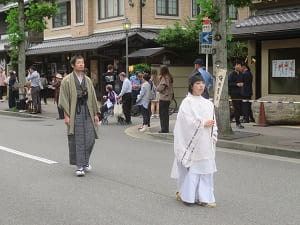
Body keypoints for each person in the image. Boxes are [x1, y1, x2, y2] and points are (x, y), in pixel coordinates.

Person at [171, 72, 218, 207]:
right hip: (193, 142)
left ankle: (205, 197)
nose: (201, 86)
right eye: (197, 83)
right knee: (193, 169)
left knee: (205, 169)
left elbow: (213, 120)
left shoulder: (208, 103)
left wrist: (213, 134)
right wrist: (202, 124)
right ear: (191, 86)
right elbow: (185, 122)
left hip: (205, 142)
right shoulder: (187, 102)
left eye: (202, 83)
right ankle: (188, 195)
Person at [58, 55, 99, 177]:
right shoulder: (66, 80)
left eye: (82, 62)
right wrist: (66, 116)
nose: (81, 64)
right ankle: (80, 166)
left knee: (90, 138)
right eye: (79, 63)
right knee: (79, 139)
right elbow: (63, 99)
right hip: (75, 112)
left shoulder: (87, 80)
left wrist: (96, 114)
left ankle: (85, 161)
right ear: (73, 65)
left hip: (88, 111)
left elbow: (93, 97)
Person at [157, 65, 174, 133]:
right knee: (166, 114)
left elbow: (160, 88)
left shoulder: (164, 78)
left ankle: (164, 129)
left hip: (164, 97)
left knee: (163, 114)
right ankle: (165, 128)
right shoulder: (169, 77)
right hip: (168, 97)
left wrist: (157, 88)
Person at [228, 62, 244, 129]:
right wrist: (236, 84)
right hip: (234, 93)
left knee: (239, 108)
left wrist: (242, 84)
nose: (238, 66)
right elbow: (229, 84)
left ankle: (231, 118)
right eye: (237, 65)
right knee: (237, 108)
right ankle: (238, 123)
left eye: (239, 65)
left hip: (240, 93)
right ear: (234, 66)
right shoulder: (231, 74)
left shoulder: (241, 74)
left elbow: (243, 81)